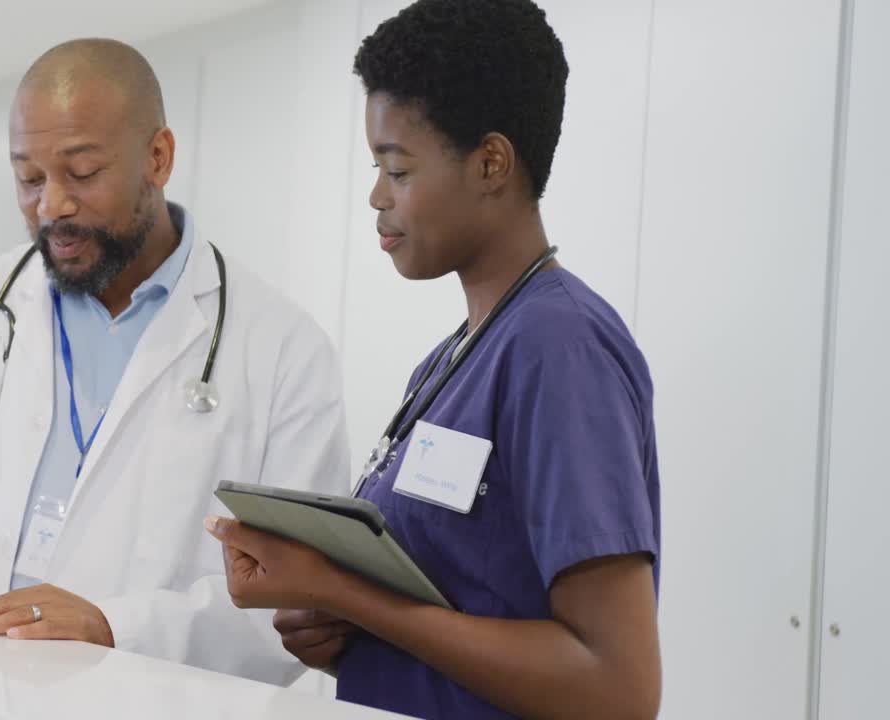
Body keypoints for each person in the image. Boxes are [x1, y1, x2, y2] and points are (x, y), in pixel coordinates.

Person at [0, 38, 348, 684]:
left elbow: (298, 598)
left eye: (81, 173)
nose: (51, 205)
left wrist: (115, 626)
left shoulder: (282, 348)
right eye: (29, 179)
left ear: (158, 157)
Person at [205, 1, 662, 717]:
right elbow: (465, 603)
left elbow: (617, 690)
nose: (376, 196)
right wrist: (337, 630)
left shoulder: (559, 348)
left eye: (398, 168)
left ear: (490, 163)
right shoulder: (450, 362)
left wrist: (342, 591)